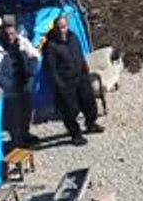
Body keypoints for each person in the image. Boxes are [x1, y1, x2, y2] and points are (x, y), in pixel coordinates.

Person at [43, 15, 104, 145]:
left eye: (63, 27)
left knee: (89, 102)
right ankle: (75, 134)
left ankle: (91, 123)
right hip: (66, 83)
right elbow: (51, 69)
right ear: (54, 28)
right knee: (70, 110)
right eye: (58, 28)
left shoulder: (73, 37)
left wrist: (85, 70)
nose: (61, 30)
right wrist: (60, 85)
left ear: (67, 26)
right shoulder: (51, 46)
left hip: (80, 76)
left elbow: (80, 54)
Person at [0, 18, 41, 147]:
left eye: (12, 34)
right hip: (11, 89)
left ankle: (26, 134)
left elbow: (34, 54)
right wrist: (11, 84)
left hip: (25, 84)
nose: (10, 37)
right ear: (2, 35)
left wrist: (32, 67)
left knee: (26, 112)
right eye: (7, 34)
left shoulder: (22, 42)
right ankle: (18, 141)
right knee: (14, 117)